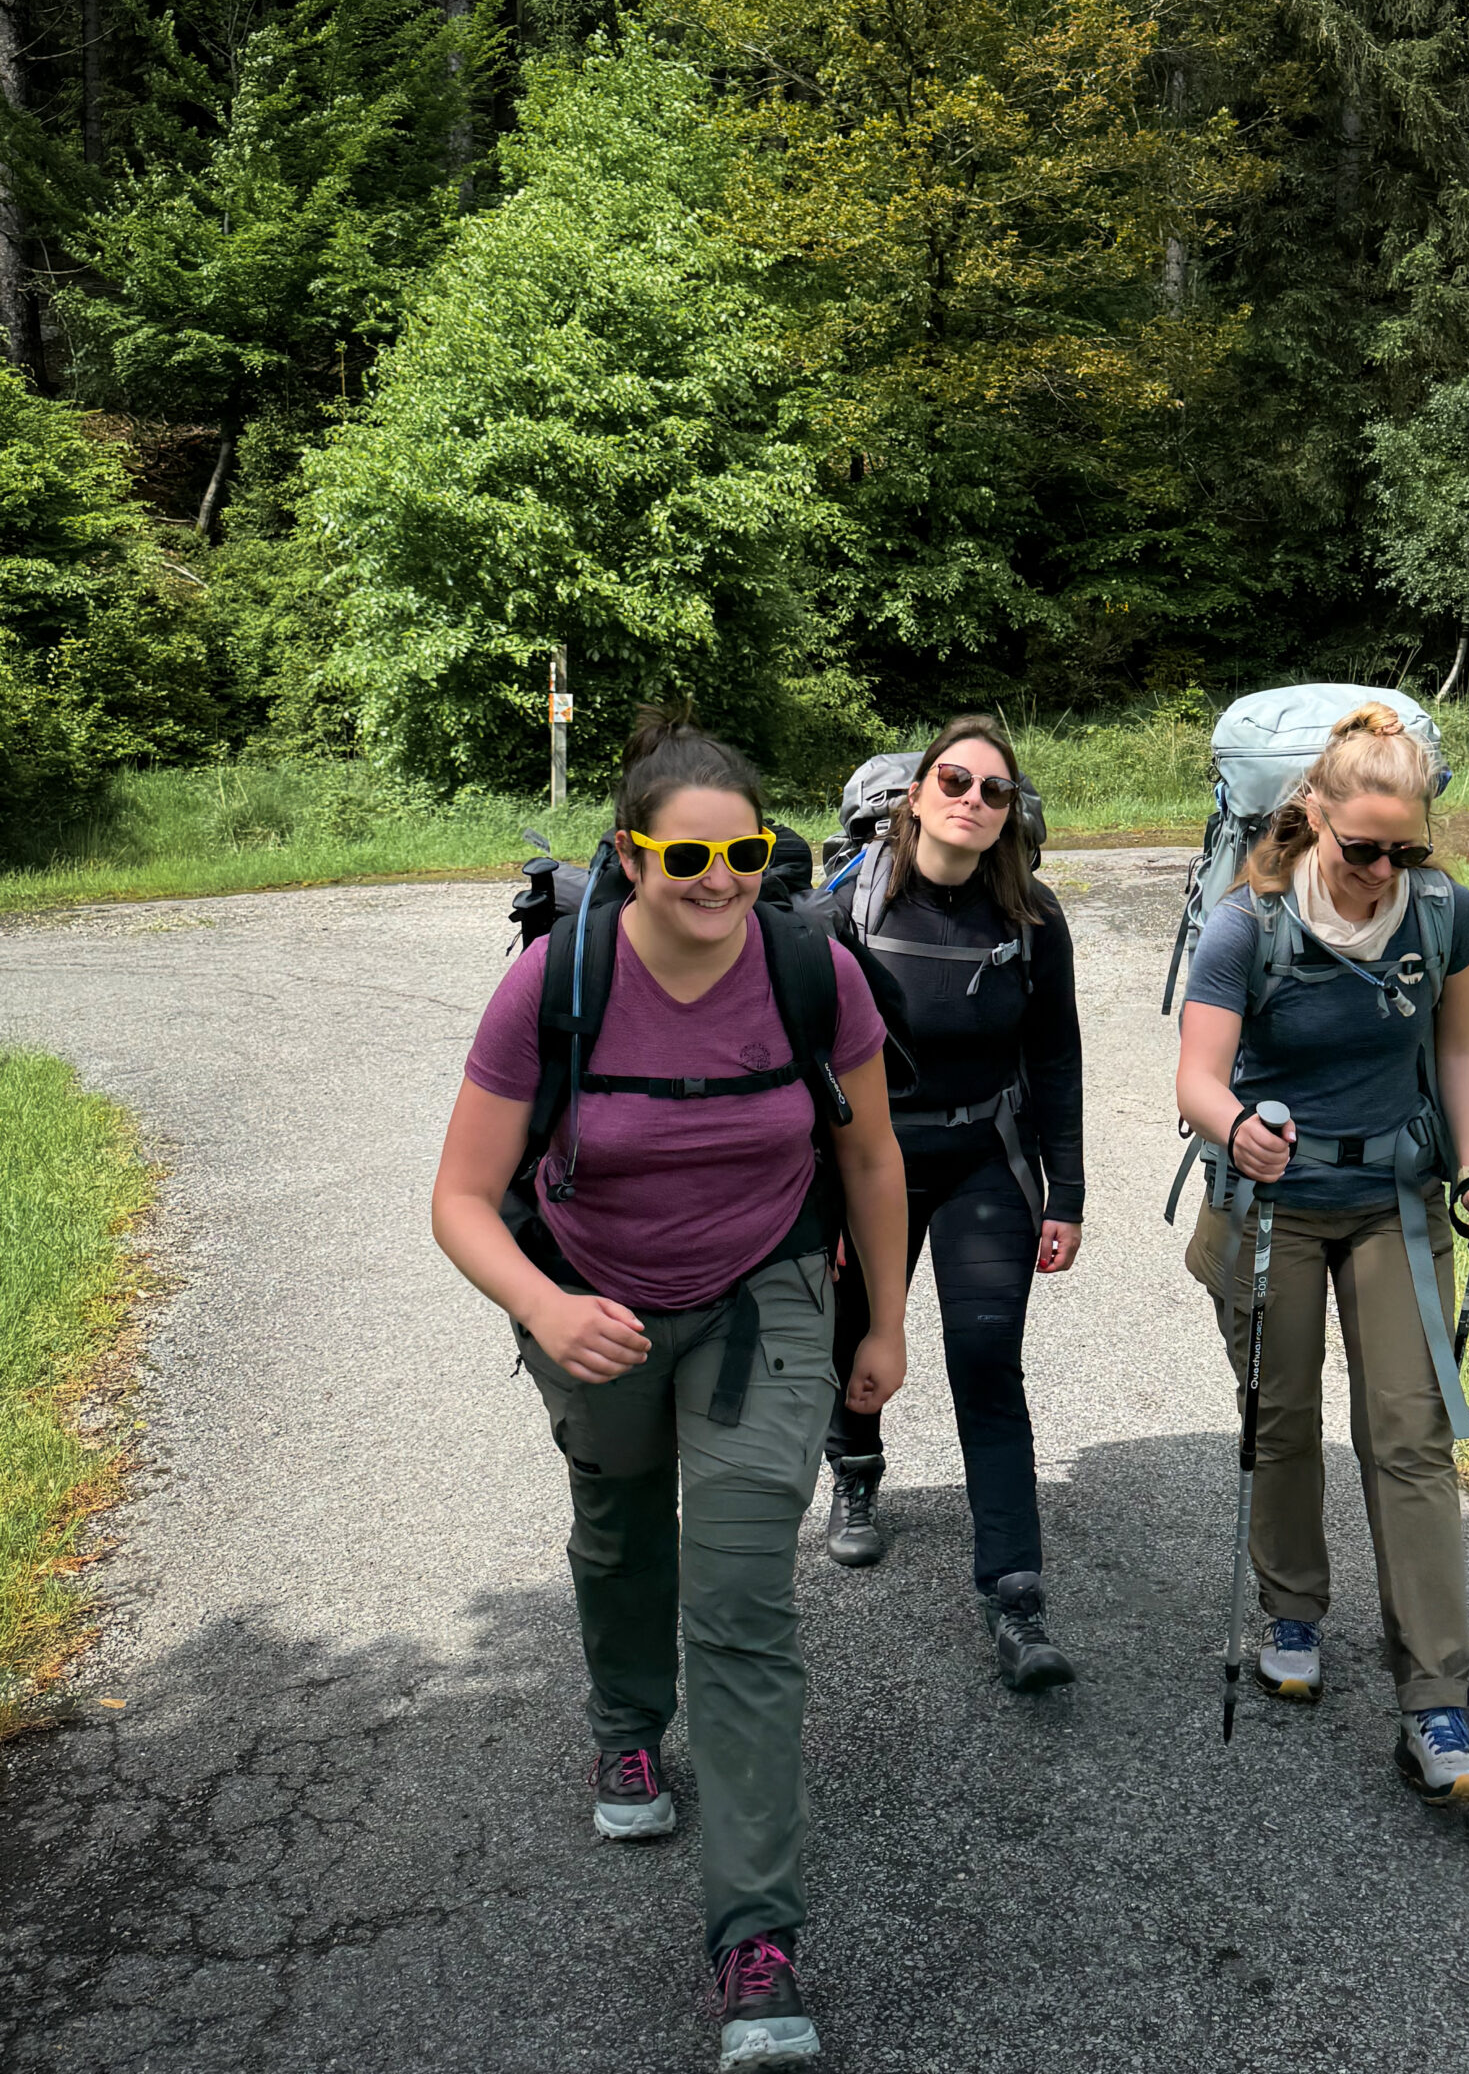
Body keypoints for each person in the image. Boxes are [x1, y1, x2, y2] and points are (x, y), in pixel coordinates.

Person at [431, 709, 908, 2071]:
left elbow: (871, 1160)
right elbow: (462, 1198)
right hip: (593, 1303)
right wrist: (541, 1304)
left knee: (745, 1597)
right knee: (622, 1525)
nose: (717, 883)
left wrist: (885, 1323)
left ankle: (757, 1944)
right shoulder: (554, 984)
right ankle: (628, 1724)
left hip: (767, 1300)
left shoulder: (815, 971)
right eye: (684, 859)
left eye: (744, 855)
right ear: (631, 858)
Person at [1172, 702, 1469, 1801]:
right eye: (1361, 847)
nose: (1380, 869)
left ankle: (1438, 1702)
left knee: (1409, 1435)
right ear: (1312, 814)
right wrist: (1237, 1128)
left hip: (1392, 1198)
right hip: (1274, 1198)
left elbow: (1460, 1050)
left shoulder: (1442, 912)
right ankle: (1293, 1607)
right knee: (1279, 1412)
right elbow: (1196, 1077)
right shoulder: (1251, 921)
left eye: (1404, 849)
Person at [820, 715, 1086, 1691]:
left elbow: (1057, 1056)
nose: (974, 800)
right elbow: (801, 1064)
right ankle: (855, 1474)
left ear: (1010, 813)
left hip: (986, 1156)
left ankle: (1017, 1598)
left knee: (986, 1362)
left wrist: (1069, 1191)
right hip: (864, 1160)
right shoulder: (844, 910)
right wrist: (810, 1203)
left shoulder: (1032, 918)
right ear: (917, 795)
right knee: (855, 1336)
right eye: (956, 781)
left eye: (995, 791)